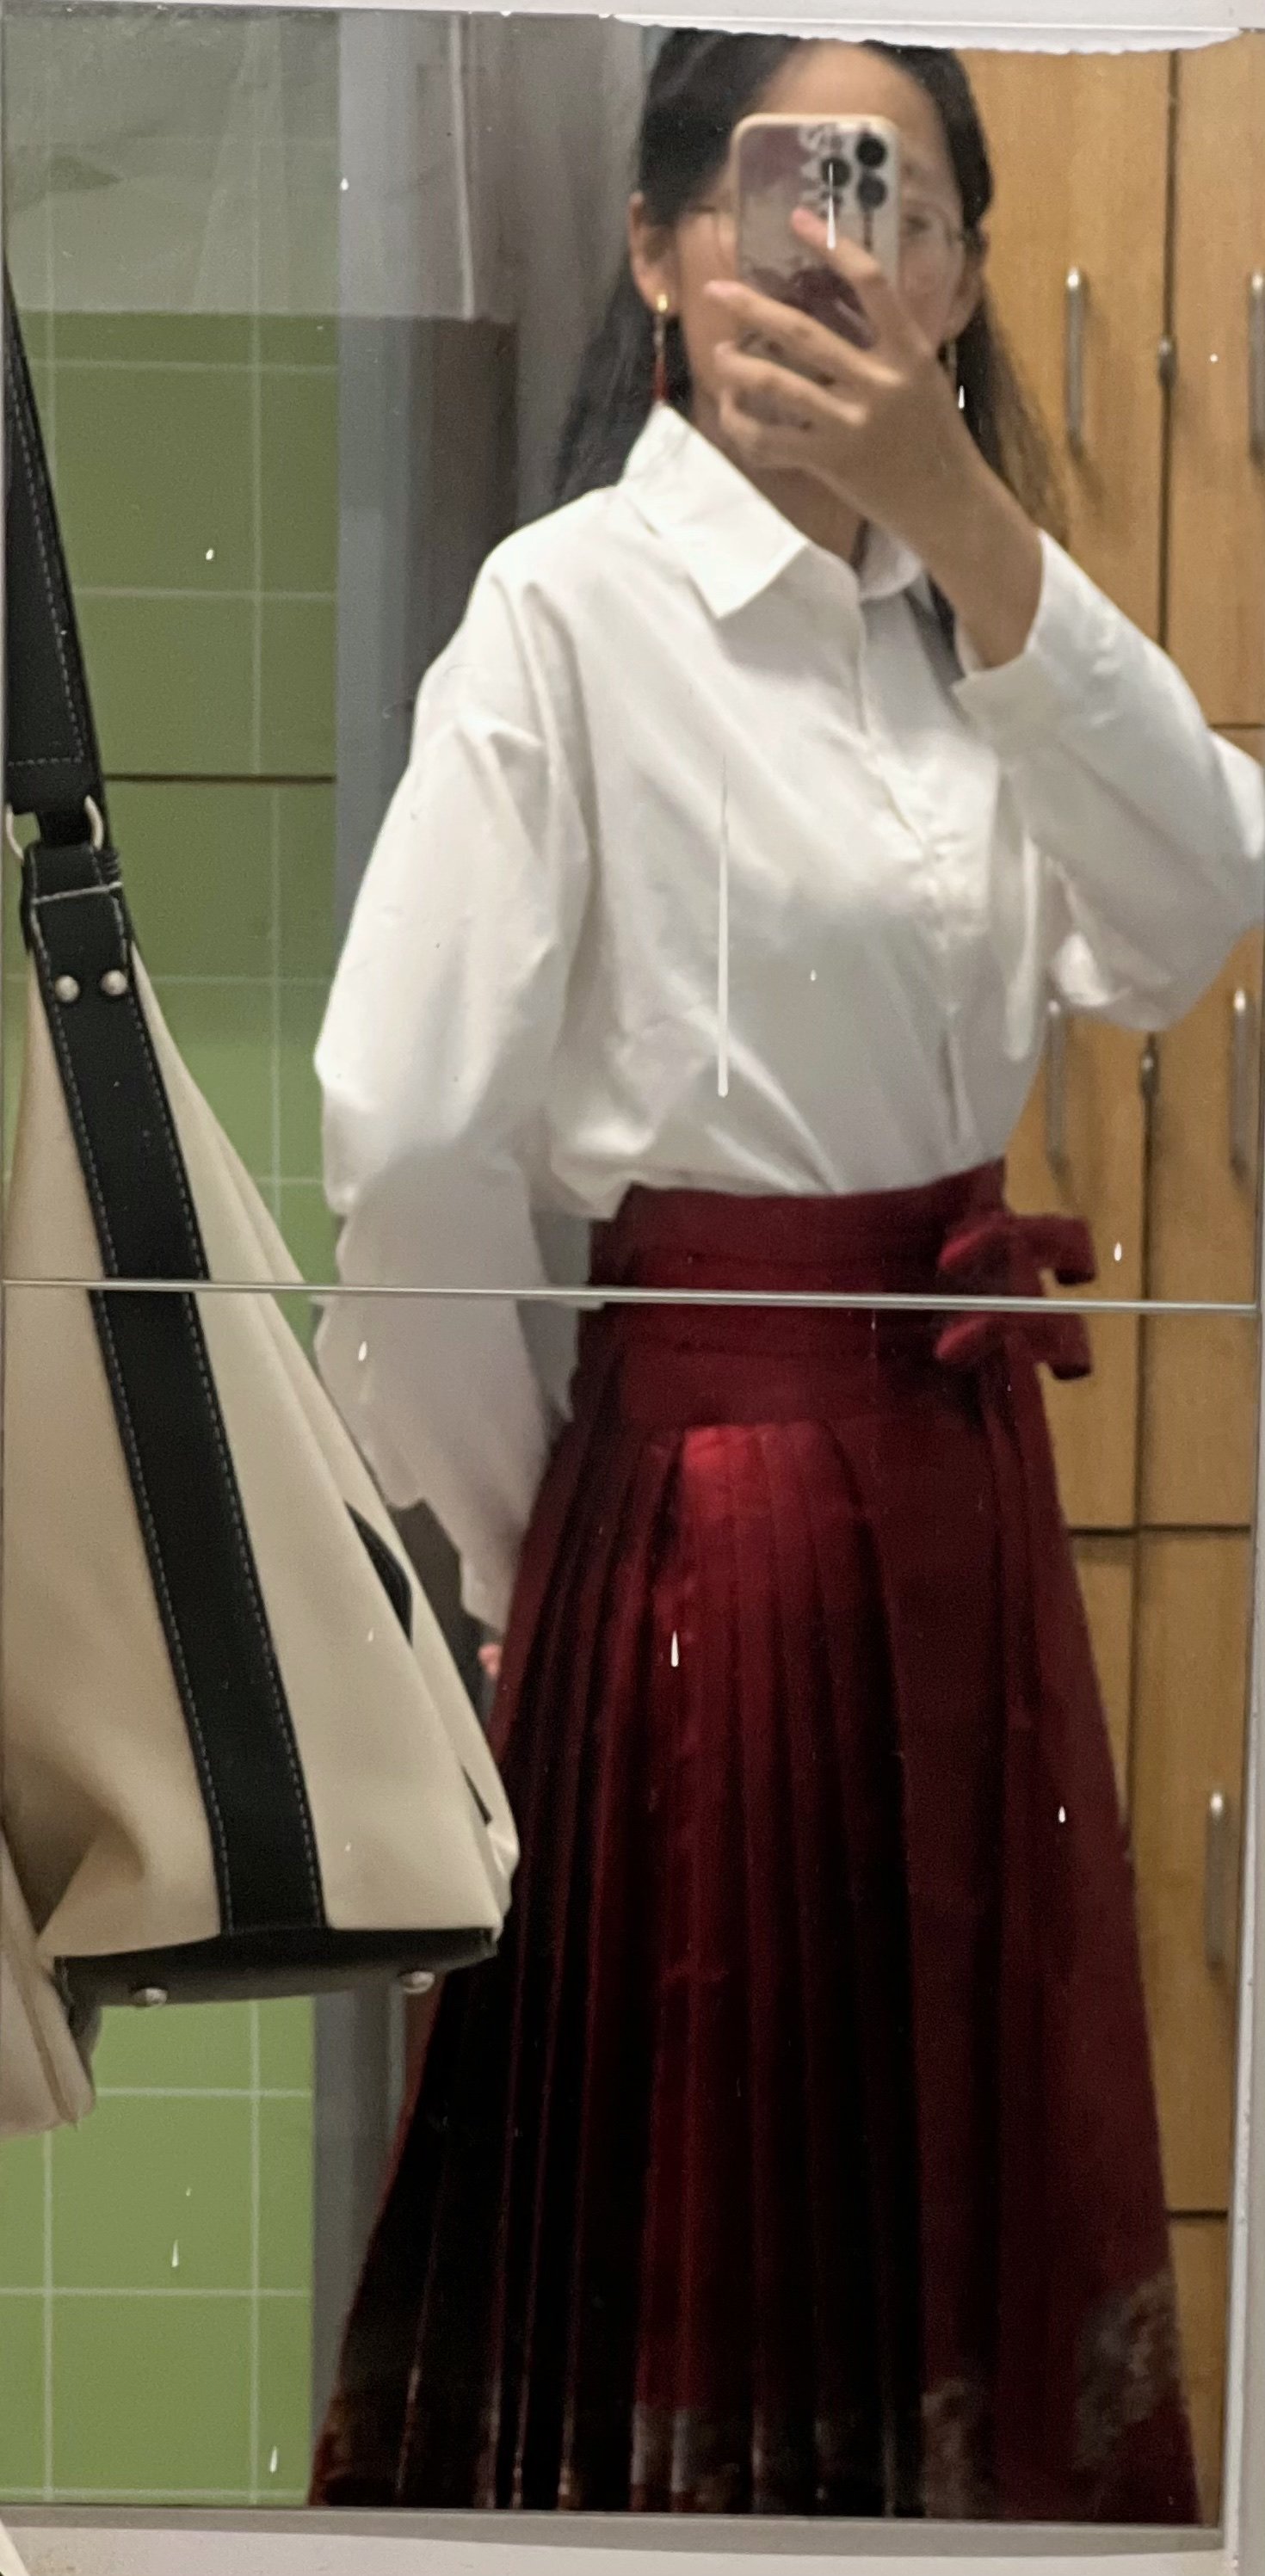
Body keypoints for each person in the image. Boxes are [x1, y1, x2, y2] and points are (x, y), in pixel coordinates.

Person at [312, 32, 1262, 2522]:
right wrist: (529, 1542)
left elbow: (1190, 907)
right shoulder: (566, 612)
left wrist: (974, 524)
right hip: (700, 1528)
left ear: (961, 276)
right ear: (656, 250)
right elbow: (403, 1127)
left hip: (962, 1491)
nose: (843, 255)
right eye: (784, 196)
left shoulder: (989, 625)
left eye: (900, 206)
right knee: (706, 2182)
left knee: (962, 2146)